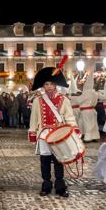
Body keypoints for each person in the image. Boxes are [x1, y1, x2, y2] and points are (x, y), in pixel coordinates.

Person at [28, 60, 75, 197]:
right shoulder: (38, 101)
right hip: (43, 135)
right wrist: (32, 131)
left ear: (56, 85)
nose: (49, 87)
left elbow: (70, 117)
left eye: (51, 84)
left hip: (59, 134)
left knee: (59, 160)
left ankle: (60, 186)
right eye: (46, 84)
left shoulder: (64, 100)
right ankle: (46, 185)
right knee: (45, 161)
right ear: (43, 85)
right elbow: (34, 118)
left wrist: (74, 129)